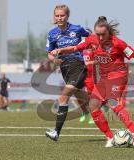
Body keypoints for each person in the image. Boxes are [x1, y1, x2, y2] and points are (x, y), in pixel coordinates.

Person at [49, 16, 134, 147]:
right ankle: (110, 138)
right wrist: (61, 50)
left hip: (118, 75)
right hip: (104, 78)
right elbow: (76, 48)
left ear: (109, 32)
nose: (100, 37)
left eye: (103, 34)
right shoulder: (91, 40)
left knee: (112, 101)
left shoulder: (118, 43)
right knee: (93, 106)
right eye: (97, 34)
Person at [45, 5, 91, 141]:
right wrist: (54, 60)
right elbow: (49, 53)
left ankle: (56, 132)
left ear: (67, 16)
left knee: (63, 97)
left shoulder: (77, 29)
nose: (59, 18)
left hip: (79, 65)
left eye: (62, 15)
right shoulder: (52, 33)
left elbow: (92, 39)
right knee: (77, 93)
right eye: (57, 15)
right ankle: (98, 102)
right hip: (65, 68)